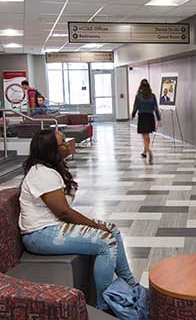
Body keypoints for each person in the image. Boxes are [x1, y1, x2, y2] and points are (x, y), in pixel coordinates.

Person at [19, 129, 137, 310]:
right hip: (40, 235)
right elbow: (64, 212)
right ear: (50, 150)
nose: (68, 145)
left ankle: (131, 285)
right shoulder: (41, 173)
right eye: (63, 143)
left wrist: (98, 226)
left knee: (112, 229)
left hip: (53, 227)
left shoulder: (51, 169)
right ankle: (105, 306)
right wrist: (94, 226)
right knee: (106, 243)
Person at [131, 79, 161, 159]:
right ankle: (145, 151)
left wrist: (133, 115)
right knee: (147, 135)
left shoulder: (138, 96)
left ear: (141, 86)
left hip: (142, 117)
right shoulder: (152, 96)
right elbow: (155, 108)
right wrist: (158, 118)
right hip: (150, 117)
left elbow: (135, 107)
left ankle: (148, 150)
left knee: (145, 136)